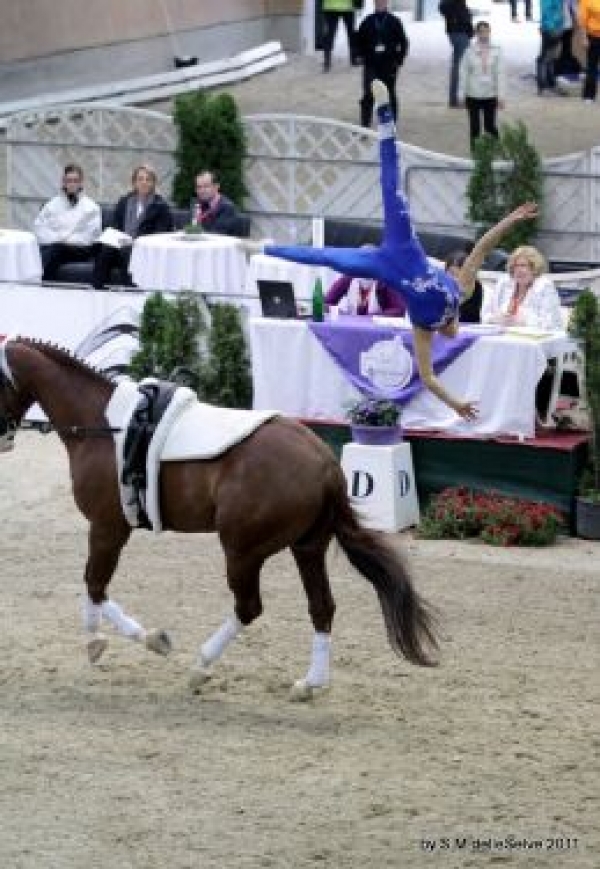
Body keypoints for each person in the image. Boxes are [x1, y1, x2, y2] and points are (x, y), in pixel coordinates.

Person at [245, 80, 539, 420]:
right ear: (452, 323)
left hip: (386, 263)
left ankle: (265, 249)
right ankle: (384, 114)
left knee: (328, 254)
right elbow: (484, 245)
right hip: (401, 250)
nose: (451, 333)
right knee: (379, 194)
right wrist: (511, 219)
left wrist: (455, 403)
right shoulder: (460, 290)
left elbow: (429, 377)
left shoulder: (425, 324)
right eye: (452, 331)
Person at [92, 164, 174, 289]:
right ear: (134, 182)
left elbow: (160, 235)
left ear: (153, 183)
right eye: (140, 179)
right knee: (106, 249)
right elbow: (115, 225)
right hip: (120, 245)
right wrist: (115, 237)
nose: (144, 183)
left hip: (144, 250)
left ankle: (131, 292)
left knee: (127, 251)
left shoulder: (160, 206)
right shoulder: (124, 201)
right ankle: (97, 290)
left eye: (148, 179)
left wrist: (134, 241)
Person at [34, 164, 101, 281]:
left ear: (81, 183)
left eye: (75, 181)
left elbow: (90, 236)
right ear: (63, 182)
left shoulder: (91, 207)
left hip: (80, 249)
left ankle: (39, 285)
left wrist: (63, 240)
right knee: (46, 250)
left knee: (54, 250)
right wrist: (58, 239)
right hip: (55, 246)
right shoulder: (52, 204)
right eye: (69, 181)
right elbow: (39, 228)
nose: (72, 184)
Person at [354, 0, 409, 128]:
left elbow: (403, 42)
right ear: (374, 3)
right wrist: (358, 55)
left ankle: (391, 125)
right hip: (371, 63)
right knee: (368, 94)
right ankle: (365, 125)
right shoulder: (367, 21)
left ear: (387, 3)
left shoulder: (394, 21)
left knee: (389, 94)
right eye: (378, 1)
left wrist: (399, 60)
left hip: (388, 64)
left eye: (383, 1)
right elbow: (358, 40)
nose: (380, 3)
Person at [481, 246, 564, 329]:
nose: (519, 270)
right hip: (504, 336)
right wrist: (496, 319)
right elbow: (485, 314)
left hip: (535, 339)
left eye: (523, 266)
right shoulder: (504, 282)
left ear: (534, 268)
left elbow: (551, 324)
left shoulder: (544, 286)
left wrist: (523, 321)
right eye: (515, 266)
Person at [458, 20, 505, 148]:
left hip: (490, 94)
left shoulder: (497, 50)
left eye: (486, 31)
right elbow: (463, 73)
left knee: (490, 125)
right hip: (473, 94)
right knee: (474, 127)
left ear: (489, 32)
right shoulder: (469, 51)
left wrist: (501, 96)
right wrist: (461, 94)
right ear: (476, 33)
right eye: (481, 32)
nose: (484, 34)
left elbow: (500, 74)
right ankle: (476, 154)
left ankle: (497, 150)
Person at [439, 0, 474, 107]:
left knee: (459, 65)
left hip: (459, 30)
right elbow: (444, 7)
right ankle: (457, 99)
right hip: (458, 31)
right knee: (461, 66)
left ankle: (456, 98)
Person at [326, 272, 406, 316]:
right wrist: (339, 312)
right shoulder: (348, 278)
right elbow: (326, 302)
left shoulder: (387, 281)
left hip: (379, 331)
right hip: (351, 327)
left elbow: (400, 310)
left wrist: (373, 316)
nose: (365, 269)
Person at [190, 171, 241, 235]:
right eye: (199, 187)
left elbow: (216, 234)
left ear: (216, 187)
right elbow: (192, 227)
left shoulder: (227, 207)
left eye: (206, 186)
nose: (202, 191)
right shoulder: (197, 203)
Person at [537, 0, 568, 94]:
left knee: (551, 57)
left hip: (555, 28)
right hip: (550, 29)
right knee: (544, 58)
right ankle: (543, 86)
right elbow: (546, 12)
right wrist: (553, 28)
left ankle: (550, 84)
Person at [444, 250, 483, 322]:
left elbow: (470, 313)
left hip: (468, 323)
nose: (454, 279)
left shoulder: (476, 286)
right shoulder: (443, 284)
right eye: (451, 274)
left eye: (457, 275)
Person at [322, 0, 357, 72]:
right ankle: (353, 59)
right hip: (346, 6)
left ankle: (327, 63)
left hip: (332, 6)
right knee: (351, 33)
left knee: (330, 34)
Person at [579, 0, 600, 102]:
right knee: (592, 67)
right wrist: (584, 38)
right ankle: (589, 95)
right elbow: (582, 21)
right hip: (593, 37)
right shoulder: (586, 1)